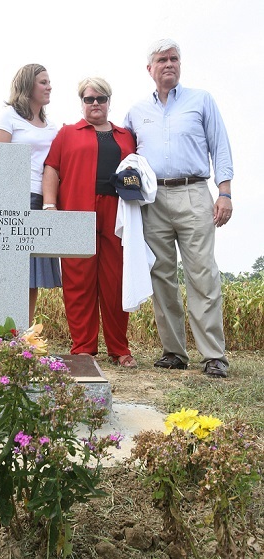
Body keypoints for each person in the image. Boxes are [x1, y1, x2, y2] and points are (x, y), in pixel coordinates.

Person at [123, 39, 233, 378]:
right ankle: (173, 351)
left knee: (202, 273)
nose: (169, 64)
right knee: (161, 276)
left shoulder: (201, 100)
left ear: (180, 64)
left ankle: (213, 354)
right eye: (161, 60)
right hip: (153, 199)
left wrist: (224, 191)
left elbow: (220, 144)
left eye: (174, 59)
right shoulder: (136, 112)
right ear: (150, 69)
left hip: (195, 193)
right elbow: (126, 155)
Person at [42, 77, 138, 367]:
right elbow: (52, 168)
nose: (95, 103)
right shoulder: (67, 133)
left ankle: (119, 349)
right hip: (77, 210)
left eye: (100, 98)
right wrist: (49, 205)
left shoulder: (126, 136)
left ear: (109, 101)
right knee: (78, 280)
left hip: (117, 213)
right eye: (88, 99)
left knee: (115, 280)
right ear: (81, 102)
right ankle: (83, 347)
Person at [0, 63, 61, 325]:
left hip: (38, 199)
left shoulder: (50, 125)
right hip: (11, 198)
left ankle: (22, 335)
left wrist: (50, 203)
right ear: (27, 85)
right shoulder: (7, 117)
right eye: (43, 82)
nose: (49, 87)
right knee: (5, 271)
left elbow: (53, 165)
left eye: (49, 82)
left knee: (31, 275)